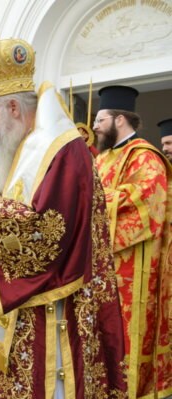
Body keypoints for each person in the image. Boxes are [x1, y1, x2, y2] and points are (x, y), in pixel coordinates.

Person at [0, 37, 127, 397]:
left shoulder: (61, 149)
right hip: (24, 316)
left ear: (13, 107)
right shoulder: (31, 145)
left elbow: (45, 235)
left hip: (51, 319)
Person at [94, 86, 171, 398]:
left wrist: (94, 200)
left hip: (133, 268)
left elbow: (148, 202)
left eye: (100, 120)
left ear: (120, 120)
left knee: (128, 335)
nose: (95, 126)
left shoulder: (145, 157)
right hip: (101, 267)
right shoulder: (103, 158)